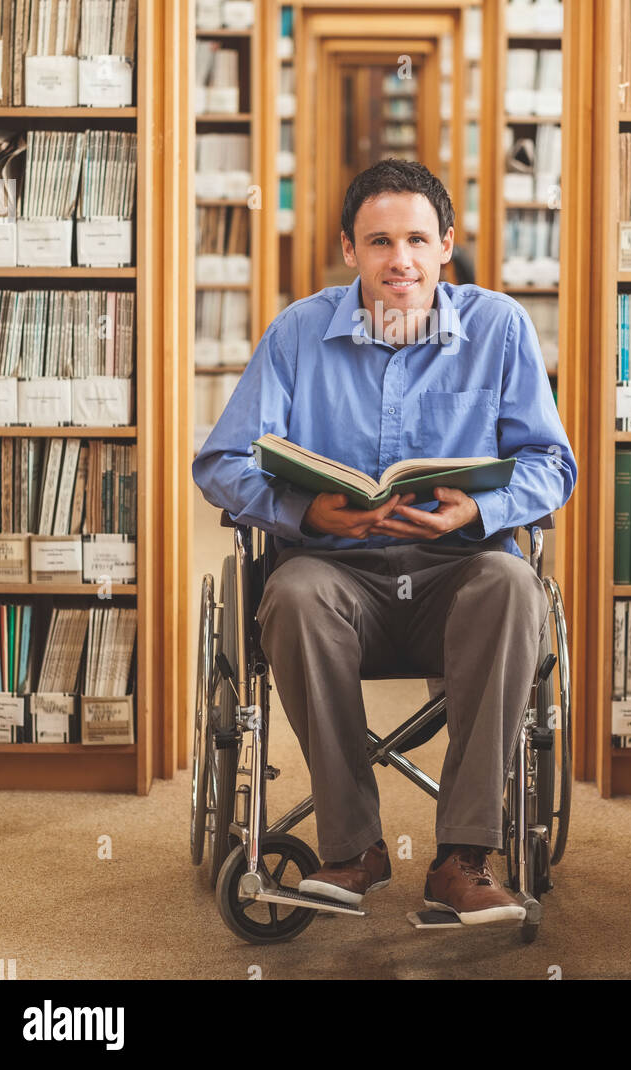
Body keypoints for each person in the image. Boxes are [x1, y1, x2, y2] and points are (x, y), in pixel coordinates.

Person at [192, 159, 576, 925]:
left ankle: (464, 858)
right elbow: (220, 462)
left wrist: (474, 510)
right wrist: (308, 515)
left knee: (512, 586)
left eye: (415, 239)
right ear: (348, 249)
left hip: (459, 575)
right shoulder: (299, 332)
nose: (398, 260)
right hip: (336, 579)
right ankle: (352, 849)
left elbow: (552, 464)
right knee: (292, 595)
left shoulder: (499, 328)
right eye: (378, 241)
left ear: (446, 245)